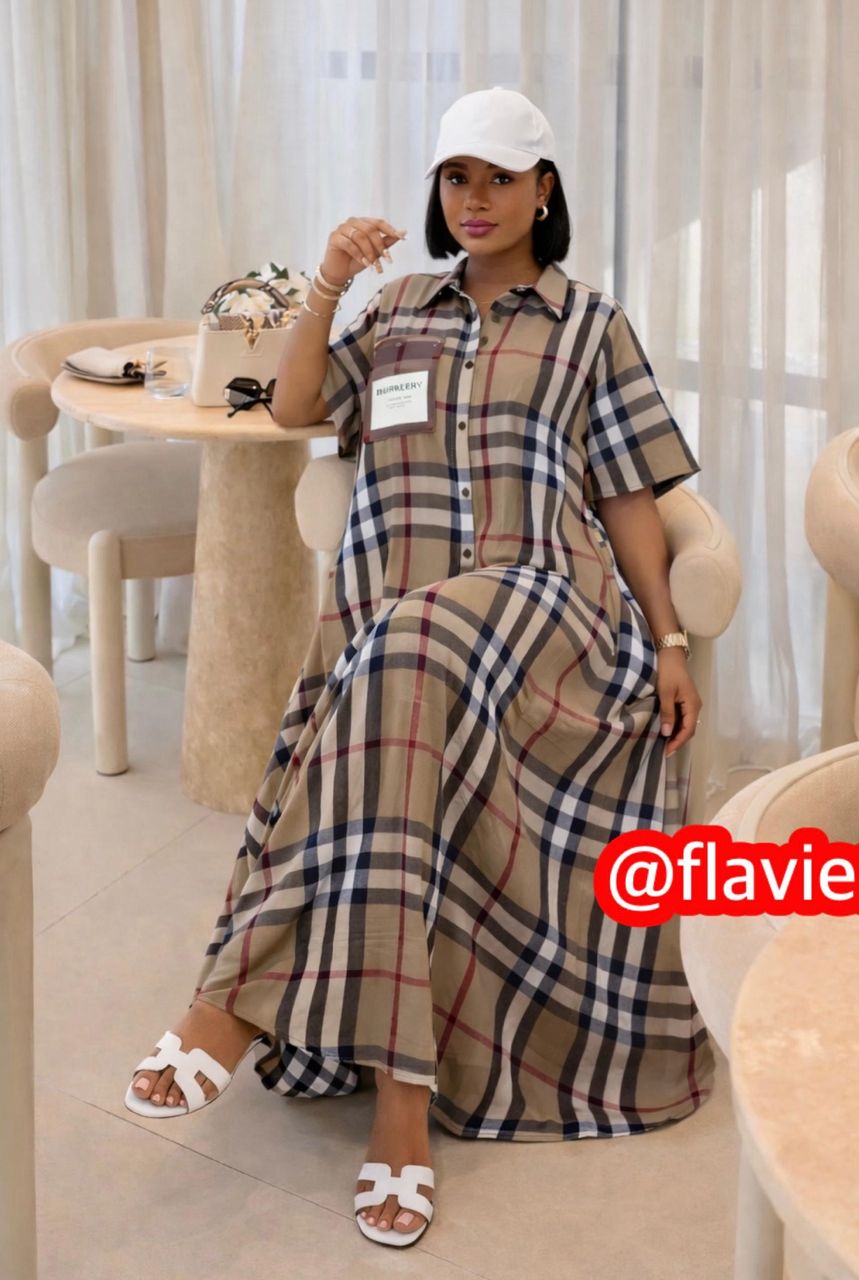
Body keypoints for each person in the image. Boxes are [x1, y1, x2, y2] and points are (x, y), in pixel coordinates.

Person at [124, 86, 714, 1249]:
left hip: (542, 597)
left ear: (543, 190)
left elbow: (627, 494)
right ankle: (402, 1097)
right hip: (397, 615)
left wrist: (669, 637)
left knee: (403, 653)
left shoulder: (590, 324)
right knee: (398, 667)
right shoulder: (396, 310)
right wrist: (330, 284)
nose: (475, 198)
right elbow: (296, 406)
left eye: (499, 176)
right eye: (456, 177)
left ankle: (229, 1005)